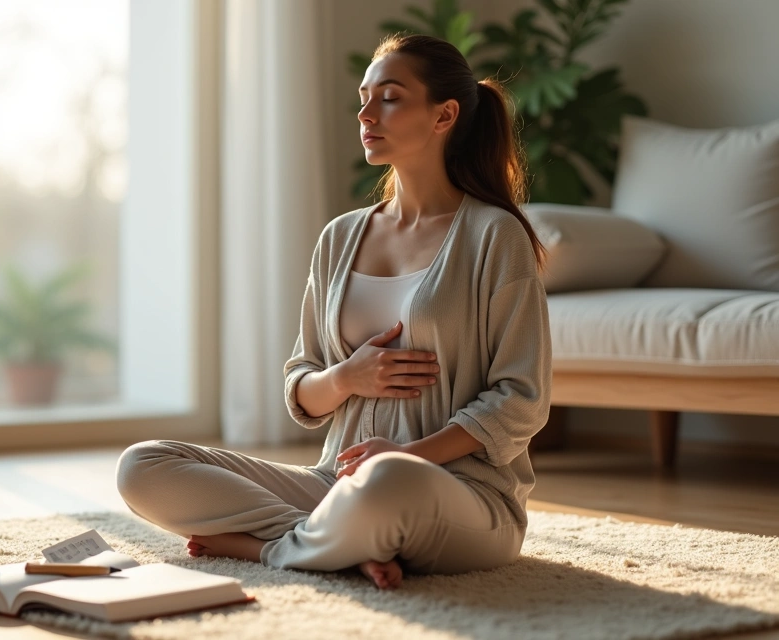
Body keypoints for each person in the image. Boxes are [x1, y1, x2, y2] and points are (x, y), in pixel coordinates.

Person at [115, 33, 552, 590]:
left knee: (389, 480)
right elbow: (301, 387)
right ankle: (331, 543)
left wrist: (406, 455)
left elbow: (522, 399)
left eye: (389, 97)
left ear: (444, 115)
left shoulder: (495, 235)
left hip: (457, 493)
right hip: (336, 484)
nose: (366, 113)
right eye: (365, 97)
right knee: (143, 465)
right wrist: (346, 377)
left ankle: (271, 549)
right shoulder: (340, 237)